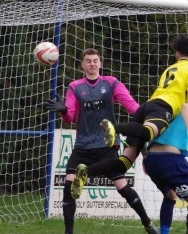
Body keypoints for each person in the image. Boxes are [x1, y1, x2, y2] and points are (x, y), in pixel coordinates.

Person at [44, 48, 158, 234]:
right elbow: (70, 116)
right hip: (83, 146)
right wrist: (64, 110)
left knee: (122, 186)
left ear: (100, 63)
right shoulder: (75, 87)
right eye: (88, 61)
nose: (92, 64)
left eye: (95, 60)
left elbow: (131, 105)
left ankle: (147, 224)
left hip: (107, 145)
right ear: (82, 65)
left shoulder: (111, 83)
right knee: (68, 184)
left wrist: (145, 116)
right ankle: (68, 232)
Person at [70, 34, 188, 189]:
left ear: (177, 54)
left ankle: (86, 172)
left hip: (147, 107)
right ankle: (115, 128)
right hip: (164, 107)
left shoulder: (171, 68)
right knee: (148, 133)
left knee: (122, 164)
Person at [144, 102, 188, 234]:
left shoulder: (165, 106)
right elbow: (186, 107)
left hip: (152, 160)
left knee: (170, 195)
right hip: (171, 160)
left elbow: (143, 130)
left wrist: (144, 155)